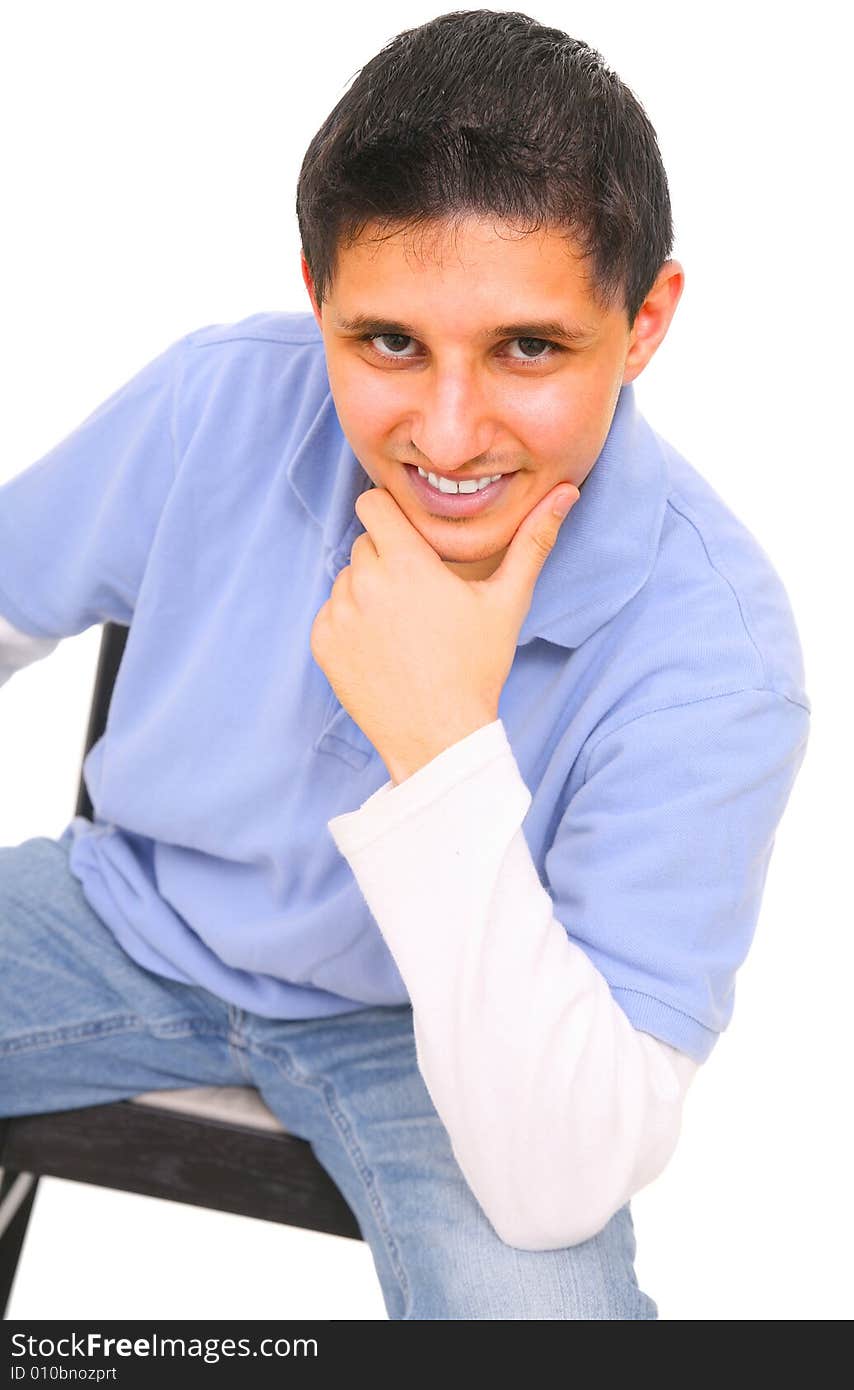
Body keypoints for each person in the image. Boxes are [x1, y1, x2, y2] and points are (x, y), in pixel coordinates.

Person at [0, 9, 810, 1319]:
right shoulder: (221, 401)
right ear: (316, 294)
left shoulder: (716, 656)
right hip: (123, 921)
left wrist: (440, 740)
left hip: (446, 1054)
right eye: (388, 343)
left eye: (529, 348)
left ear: (644, 318)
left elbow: (564, 1169)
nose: (445, 434)